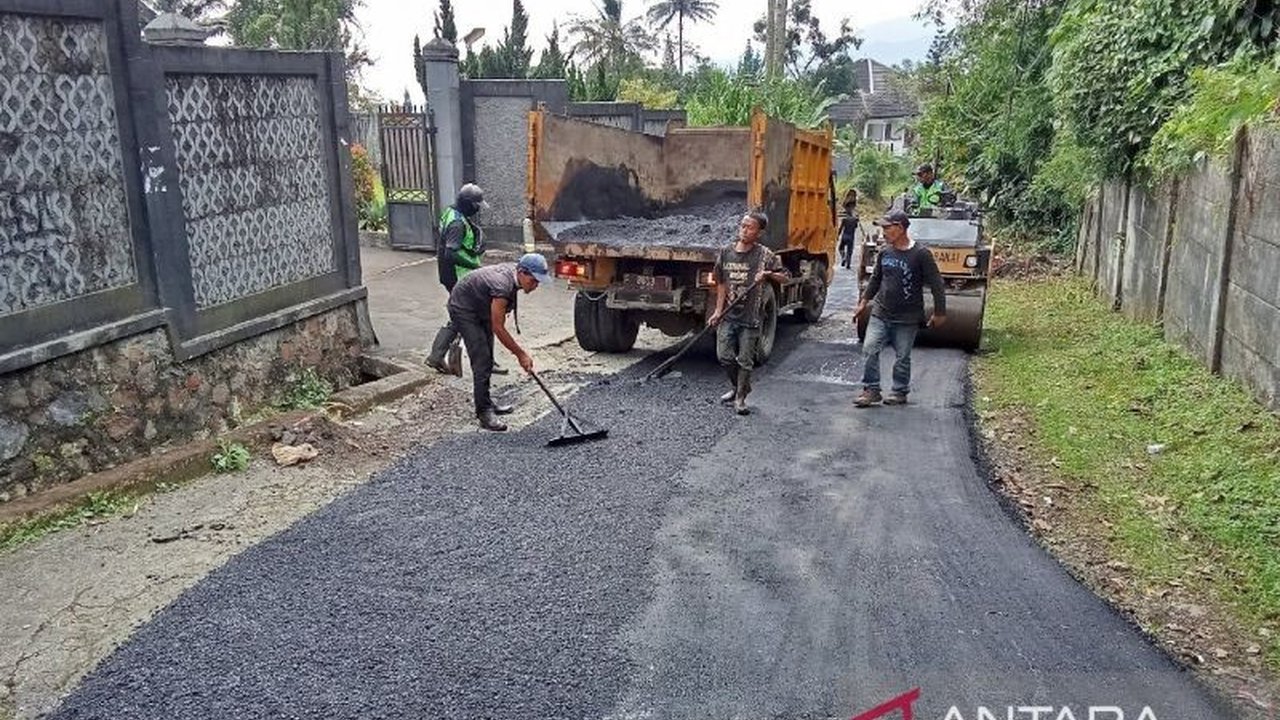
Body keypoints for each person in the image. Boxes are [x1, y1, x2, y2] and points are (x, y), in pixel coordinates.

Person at [853, 209, 947, 407]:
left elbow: (937, 283)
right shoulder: (885, 252)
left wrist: (940, 312)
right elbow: (876, 278)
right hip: (881, 312)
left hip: (908, 317)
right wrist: (863, 302)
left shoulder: (921, 254)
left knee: (902, 356)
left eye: (887, 228)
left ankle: (899, 391)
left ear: (901, 228)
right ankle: (871, 389)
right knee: (870, 349)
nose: (883, 232)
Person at [447, 253, 551, 431]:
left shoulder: (513, 276)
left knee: (488, 356)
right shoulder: (502, 285)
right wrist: (520, 354)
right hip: (463, 309)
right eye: (533, 280)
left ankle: (486, 402)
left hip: (480, 305)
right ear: (522, 273)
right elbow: (498, 327)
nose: (535, 286)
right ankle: (484, 412)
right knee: (481, 359)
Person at [708, 211, 789, 416]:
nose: (744, 230)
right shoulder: (726, 253)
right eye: (742, 225)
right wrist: (718, 311)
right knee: (724, 356)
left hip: (751, 317)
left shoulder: (765, 255)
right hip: (728, 315)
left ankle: (741, 398)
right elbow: (721, 284)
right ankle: (739, 387)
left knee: (745, 360)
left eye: (749, 227)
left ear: (759, 232)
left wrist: (769, 274)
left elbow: (785, 278)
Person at [426, 183, 506, 376]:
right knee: (484, 316)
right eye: (477, 205)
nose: (478, 209)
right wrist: (476, 267)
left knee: (460, 316)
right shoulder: (457, 223)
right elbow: (450, 253)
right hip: (460, 277)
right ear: (468, 204)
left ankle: (436, 356)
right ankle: (487, 362)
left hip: (455, 276)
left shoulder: (453, 213)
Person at [838, 189, 859, 269]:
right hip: (851, 236)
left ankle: (843, 257)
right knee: (850, 251)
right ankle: (848, 264)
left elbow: (841, 228)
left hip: (844, 236)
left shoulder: (845, 219)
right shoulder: (854, 219)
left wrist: (837, 235)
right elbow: (856, 227)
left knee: (841, 248)